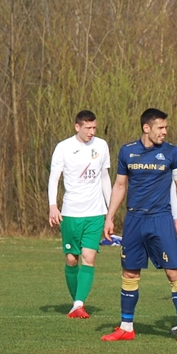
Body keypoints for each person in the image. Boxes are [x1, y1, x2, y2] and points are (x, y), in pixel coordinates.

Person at [102, 108, 177, 342]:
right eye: (160, 127)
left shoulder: (172, 152)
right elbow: (120, 185)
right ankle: (126, 327)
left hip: (161, 219)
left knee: (174, 272)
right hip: (134, 220)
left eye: (166, 127)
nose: (165, 131)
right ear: (146, 128)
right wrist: (110, 217)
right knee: (130, 271)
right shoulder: (127, 151)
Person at [48, 110, 111, 319]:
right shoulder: (63, 148)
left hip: (96, 212)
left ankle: (79, 303)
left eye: (94, 128)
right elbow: (54, 178)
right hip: (71, 213)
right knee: (71, 259)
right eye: (88, 128)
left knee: (89, 257)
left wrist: (110, 209)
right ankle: (77, 302)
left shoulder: (101, 145)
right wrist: (53, 205)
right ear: (77, 127)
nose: (92, 132)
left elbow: (104, 178)